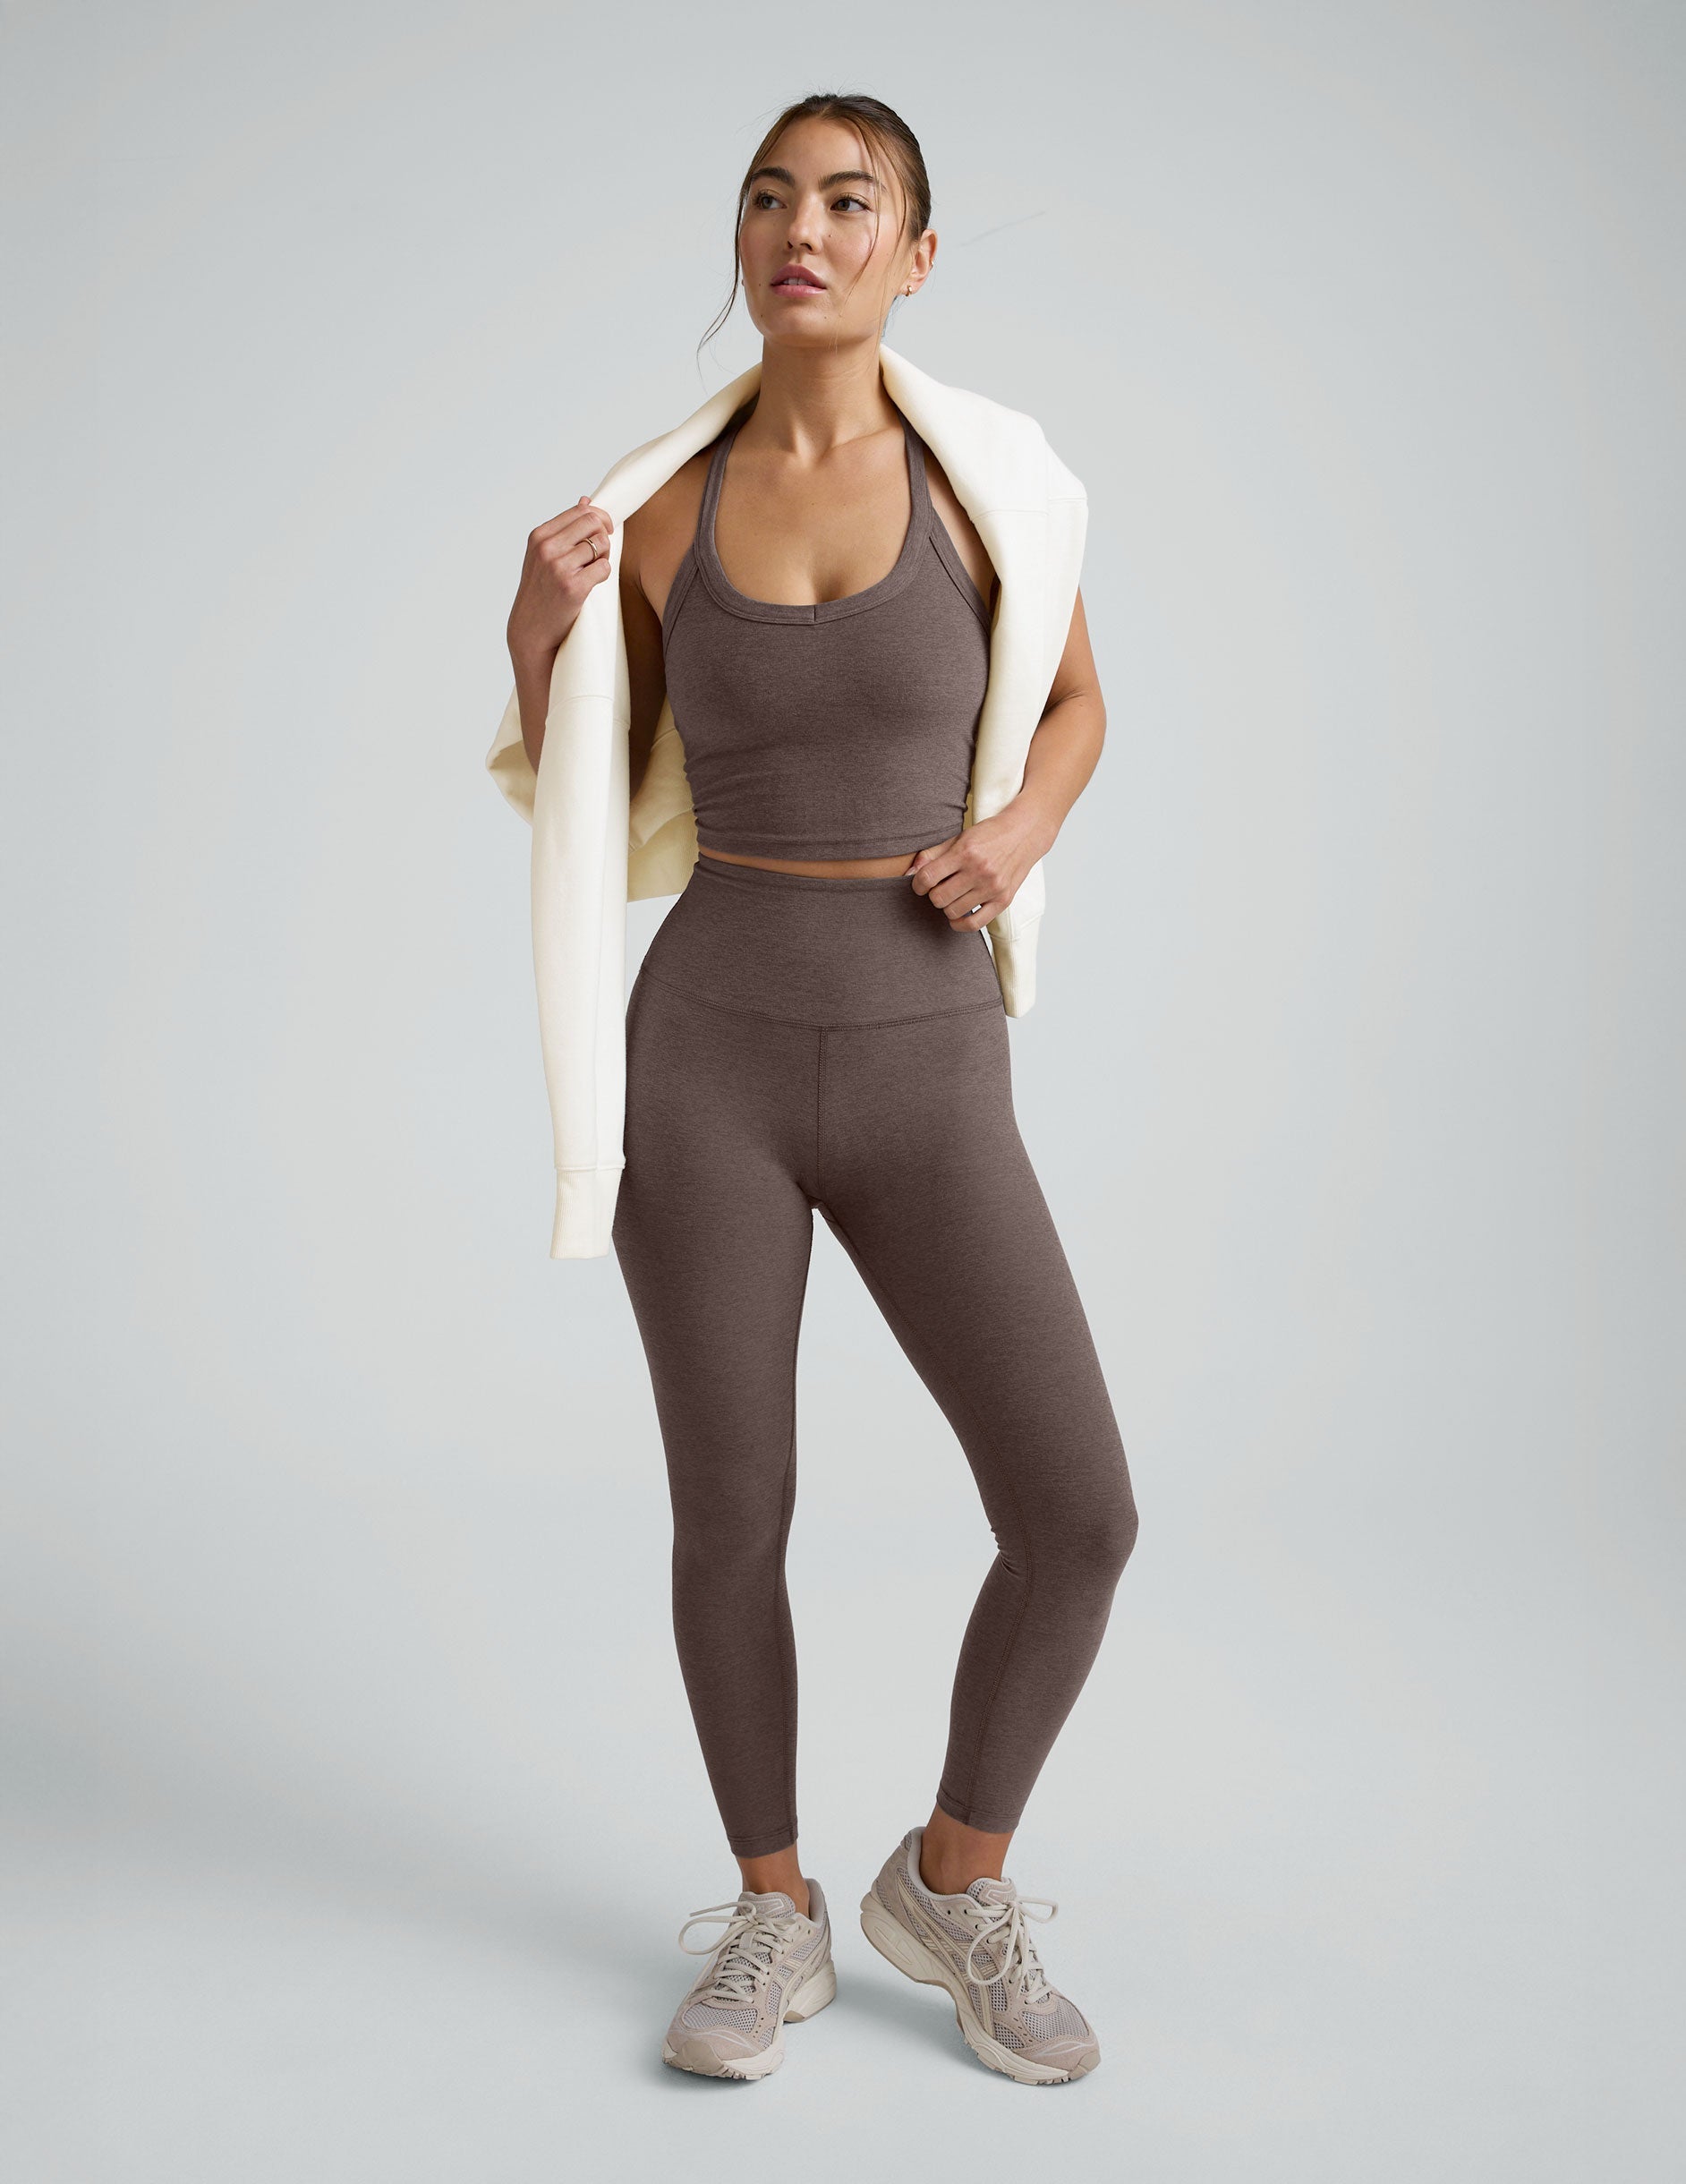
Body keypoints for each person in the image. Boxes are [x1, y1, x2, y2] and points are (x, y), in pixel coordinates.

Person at [501, 91, 1139, 2087]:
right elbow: (587, 783)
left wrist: (1015, 835)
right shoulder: (658, 514)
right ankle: (770, 1909)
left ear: (916, 256)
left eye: (853, 202)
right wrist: (537, 625)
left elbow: (1079, 701)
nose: (806, 227)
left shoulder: (992, 486)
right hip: (707, 1053)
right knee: (734, 1512)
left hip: (927, 1047)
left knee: (1077, 1508)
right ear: (743, 241)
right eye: (771, 196)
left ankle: (953, 1879)